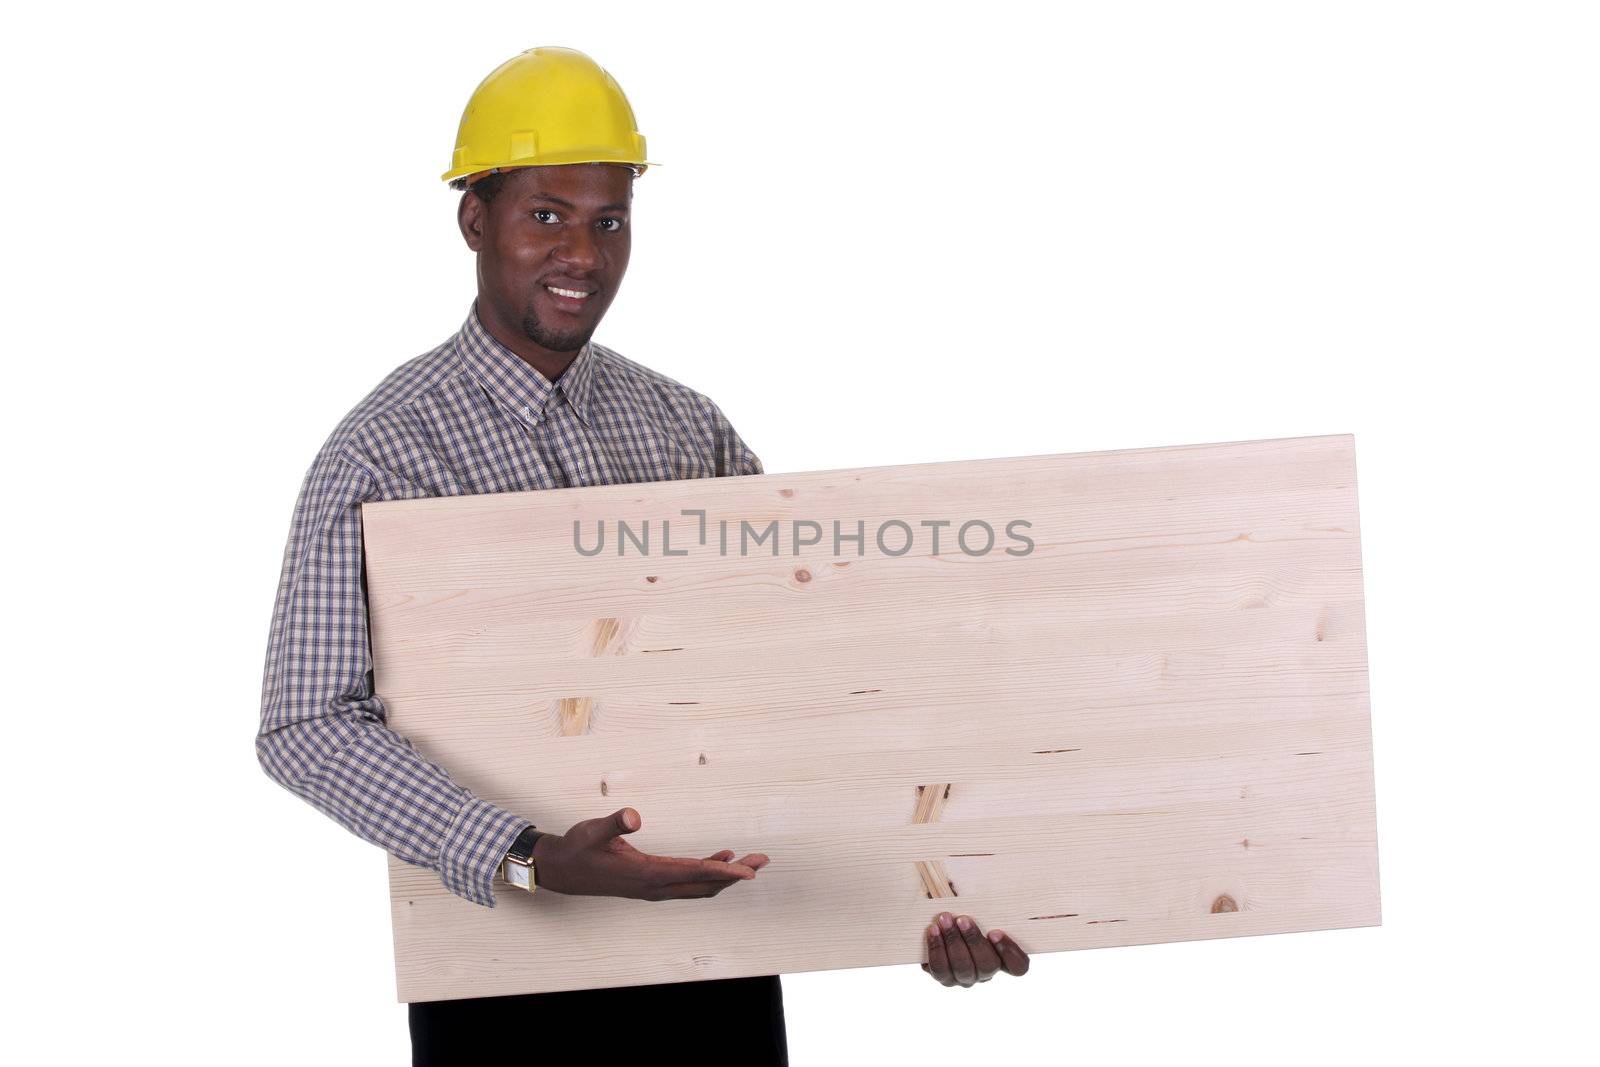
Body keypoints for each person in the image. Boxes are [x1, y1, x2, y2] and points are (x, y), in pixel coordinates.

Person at [256, 45, 1029, 1066]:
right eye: (546, 215)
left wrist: (924, 902)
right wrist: (525, 856)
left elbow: (814, 671)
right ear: (473, 220)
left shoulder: (685, 429)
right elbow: (304, 723)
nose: (582, 251)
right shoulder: (385, 452)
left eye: (608, 219)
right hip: (504, 987)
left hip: (715, 966)